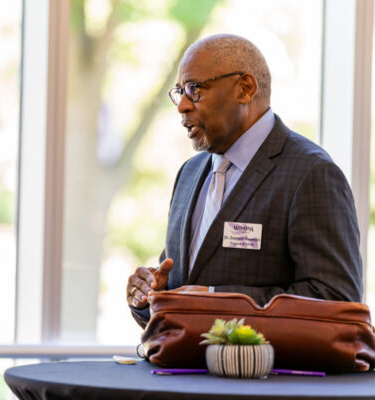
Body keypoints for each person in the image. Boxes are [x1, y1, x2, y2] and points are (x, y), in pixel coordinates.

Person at [126, 34, 362, 328]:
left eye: (195, 89)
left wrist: (214, 301)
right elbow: (184, 291)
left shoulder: (311, 173)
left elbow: (335, 300)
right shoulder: (189, 174)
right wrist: (151, 295)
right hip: (182, 371)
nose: (182, 106)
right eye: (179, 92)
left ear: (245, 88)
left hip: (265, 374)